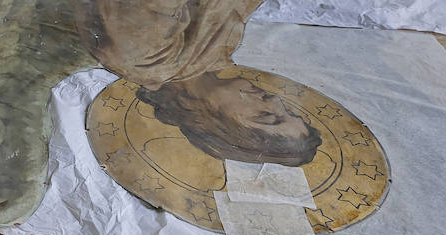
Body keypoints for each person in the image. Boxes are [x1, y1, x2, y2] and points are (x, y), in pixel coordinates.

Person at [136, 68, 324, 166]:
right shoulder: (212, 46)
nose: (275, 100)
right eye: (289, 112)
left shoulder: (151, 60)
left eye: (265, 116)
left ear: (208, 124)